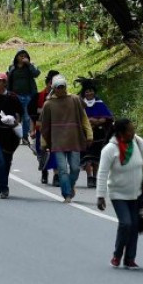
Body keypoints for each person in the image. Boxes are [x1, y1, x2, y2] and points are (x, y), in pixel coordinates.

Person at [96, 118, 143, 269]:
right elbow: (102, 173)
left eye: (133, 129)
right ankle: (117, 255)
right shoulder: (110, 149)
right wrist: (100, 196)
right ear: (121, 133)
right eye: (130, 130)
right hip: (118, 193)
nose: (133, 132)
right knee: (126, 223)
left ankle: (130, 259)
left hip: (137, 192)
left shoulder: (138, 142)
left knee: (135, 225)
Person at [39, 74, 91, 203]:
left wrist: (89, 134)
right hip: (57, 141)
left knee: (75, 168)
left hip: (74, 138)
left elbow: (84, 118)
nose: (61, 89)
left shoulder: (75, 100)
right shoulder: (49, 104)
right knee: (62, 169)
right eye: (58, 87)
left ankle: (69, 185)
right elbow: (44, 126)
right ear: (54, 88)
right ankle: (67, 194)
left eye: (63, 87)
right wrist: (44, 142)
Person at [79, 79, 114, 188]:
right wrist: (88, 122)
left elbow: (108, 117)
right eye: (87, 91)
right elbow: (78, 117)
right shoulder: (81, 104)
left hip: (99, 135)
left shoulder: (99, 103)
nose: (89, 93)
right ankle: (89, 177)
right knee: (88, 157)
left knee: (96, 158)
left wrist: (98, 121)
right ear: (84, 93)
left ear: (94, 92)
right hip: (85, 135)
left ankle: (95, 177)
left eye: (91, 91)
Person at [6, 49, 40, 143]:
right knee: (14, 116)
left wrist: (29, 64)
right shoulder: (12, 67)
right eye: (20, 55)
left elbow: (36, 74)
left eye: (24, 55)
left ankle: (24, 137)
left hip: (27, 96)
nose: (22, 57)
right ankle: (14, 136)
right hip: (15, 96)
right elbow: (9, 81)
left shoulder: (29, 67)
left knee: (26, 117)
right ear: (16, 57)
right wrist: (8, 94)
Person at [35, 70, 60, 185]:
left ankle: (56, 175)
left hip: (57, 129)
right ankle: (44, 172)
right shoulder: (39, 96)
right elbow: (33, 114)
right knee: (43, 151)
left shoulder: (63, 97)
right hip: (42, 129)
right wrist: (31, 129)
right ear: (47, 83)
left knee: (56, 152)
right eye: (51, 82)